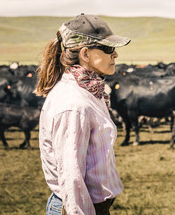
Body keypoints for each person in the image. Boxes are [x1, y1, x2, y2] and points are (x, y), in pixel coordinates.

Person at [35, 13, 130, 215]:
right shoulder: (74, 103)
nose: (115, 55)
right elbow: (72, 177)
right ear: (85, 54)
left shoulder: (88, 91)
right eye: (107, 48)